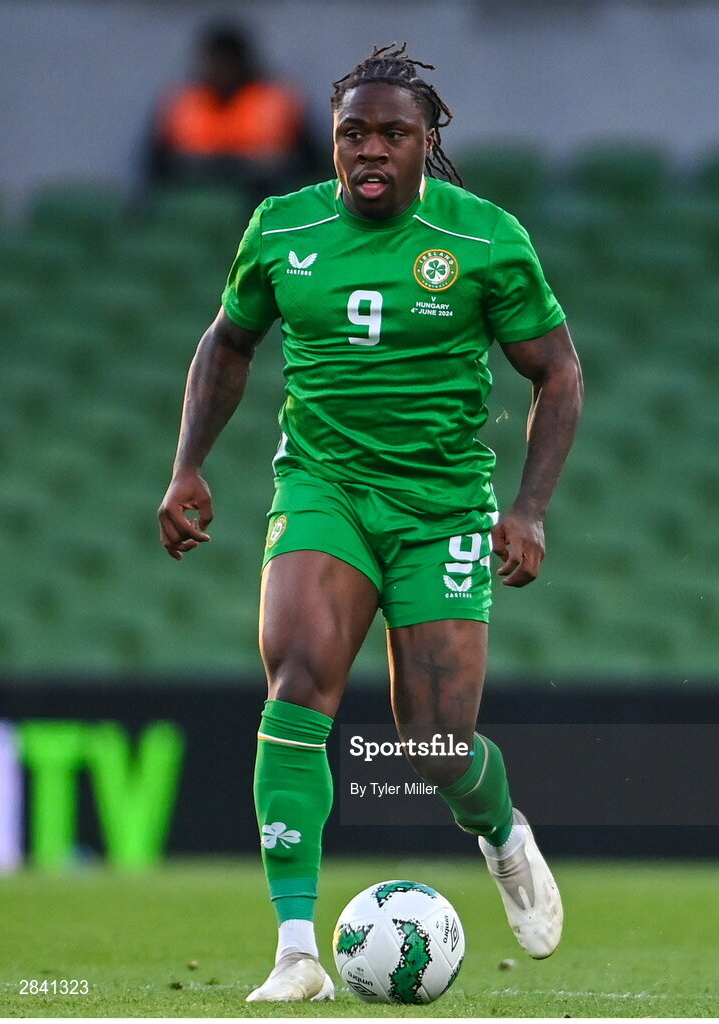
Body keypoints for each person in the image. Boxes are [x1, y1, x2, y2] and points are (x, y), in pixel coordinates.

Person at [157, 43, 583, 1003]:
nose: (372, 150)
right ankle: (297, 952)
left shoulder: (484, 240)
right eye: (354, 133)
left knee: (432, 744)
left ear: (428, 141)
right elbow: (227, 343)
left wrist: (529, 509)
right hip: (324, 487)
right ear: (335, 141)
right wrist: (188, 465)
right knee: (296, 684)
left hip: (440, 505)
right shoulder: (281, 227)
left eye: (395, 132)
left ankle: (500, 829)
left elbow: (556, 373)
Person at [146, 22, 319, 203]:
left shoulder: (277, 100)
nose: (221, 70)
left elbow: (308, 163)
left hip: (262, 192)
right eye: (215, 62)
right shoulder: (182, 102)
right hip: (196, 192)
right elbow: (156, 165)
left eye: (228, 62)